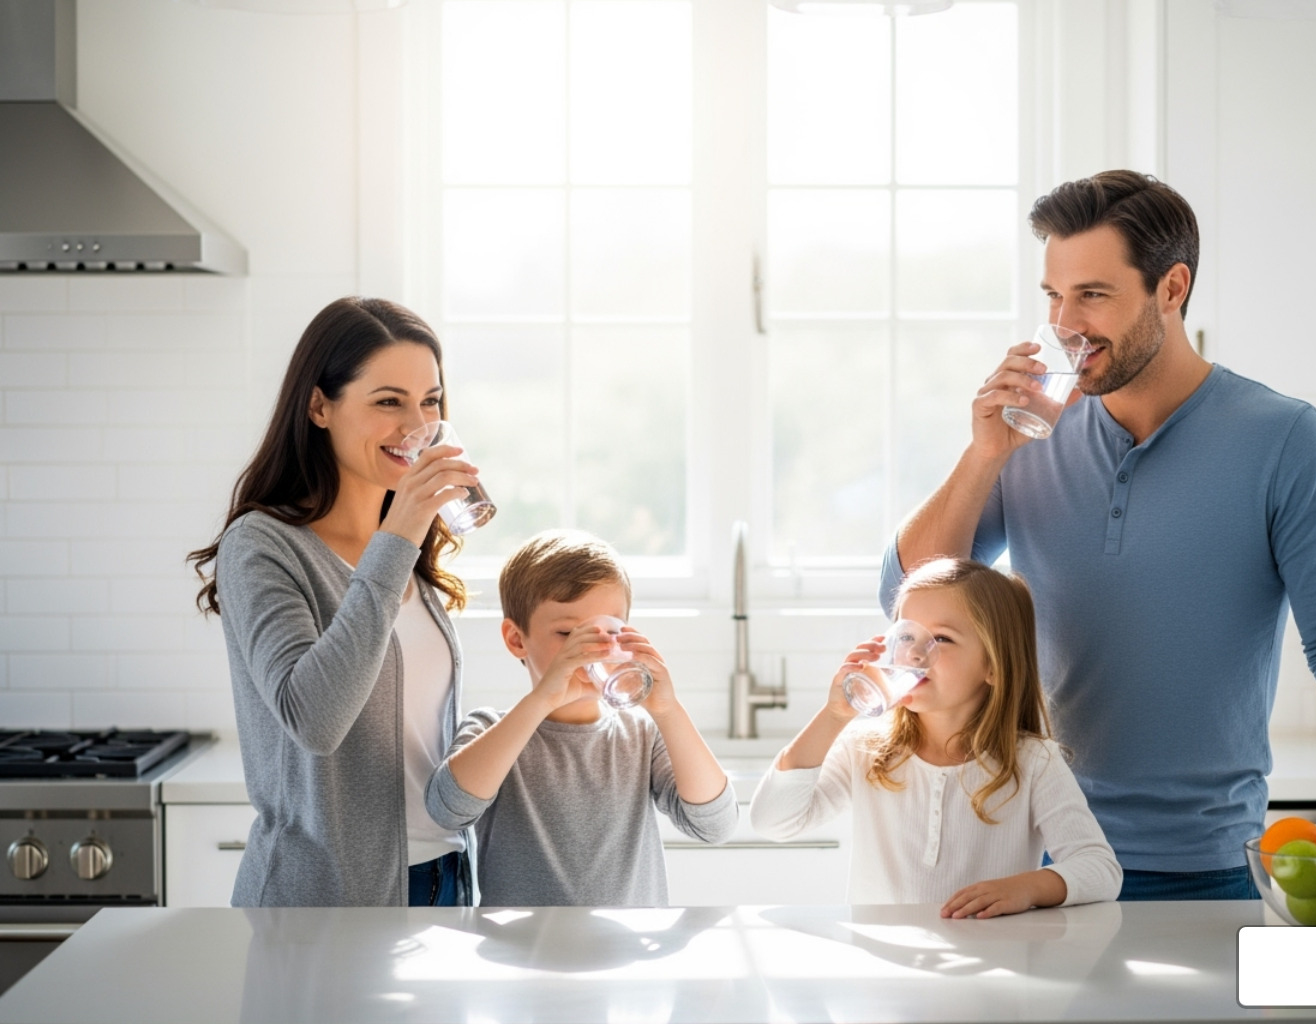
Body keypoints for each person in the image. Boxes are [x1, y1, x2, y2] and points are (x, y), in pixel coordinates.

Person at [881, 170, 1316, 907]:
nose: (1066, 324)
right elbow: (904, 601)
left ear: (1172, 288)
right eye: (1053, 296)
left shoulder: (1286, 442)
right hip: (1028, 862)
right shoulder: (1028, 436)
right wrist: (982, 456)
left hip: (1203, 870)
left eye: (1093, 295)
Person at [189, 297, 480, 907]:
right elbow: (316, 721)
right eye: (388, 402)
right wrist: (398, 537)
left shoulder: (409, 544)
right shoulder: (263, 545)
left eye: (430, 401)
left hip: (445, 879)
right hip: (324, 898)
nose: (417, 427)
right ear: (319, 406)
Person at [751, 558, 1121, 917]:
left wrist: (1027, 888)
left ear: (993, 666)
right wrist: (834, 716)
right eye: (906, 635)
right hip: (883, 958)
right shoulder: (865, 749)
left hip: (992, 956)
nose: (914, 653)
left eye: (940, 638)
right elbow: (773, 821)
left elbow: (1100, 868)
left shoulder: (1032, 762)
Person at [424, 529, 737, 906]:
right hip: (523, 942)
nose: (594, 649)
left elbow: (716, 826)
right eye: (568, 632)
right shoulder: (491, 729)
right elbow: (446, 811)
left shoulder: (641, 735)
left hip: (626, 941)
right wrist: (541, 700)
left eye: (612, 630)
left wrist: (669, 711)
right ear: (517, 640)